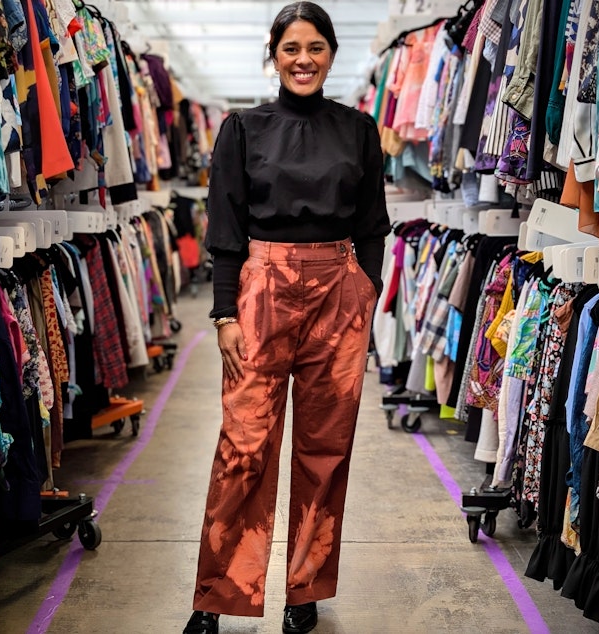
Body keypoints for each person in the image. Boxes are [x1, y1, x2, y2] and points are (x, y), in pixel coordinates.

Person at [183, 2, 391, 633]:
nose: (304, 60)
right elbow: (225, 226)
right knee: (243, 446)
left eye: (316, 48)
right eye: (291, 48)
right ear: (273, 55)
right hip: (261, 289)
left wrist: (362, 289)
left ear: (332, 54)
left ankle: (304, 592)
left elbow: (373, 224)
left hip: (338, 291)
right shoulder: (242, 127)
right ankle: (217, 596)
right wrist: (224, 311)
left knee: (326, 450)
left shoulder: (359, 129)